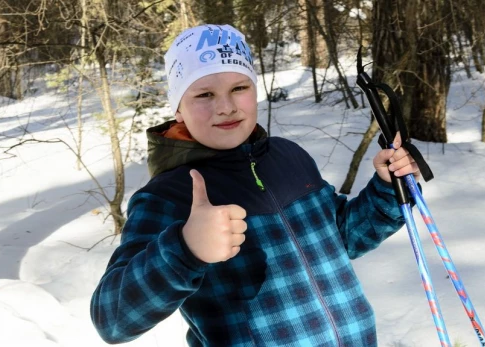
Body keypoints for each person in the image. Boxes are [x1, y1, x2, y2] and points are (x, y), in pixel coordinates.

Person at [90, 24, 421, 347]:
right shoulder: (169, 195)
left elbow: (343, 239)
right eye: (205, 94)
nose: (226, 106)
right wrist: (185, 248)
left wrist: (387, 188)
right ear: (178, 108)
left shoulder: (289, 156)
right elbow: (113, 320)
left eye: (239, 88)